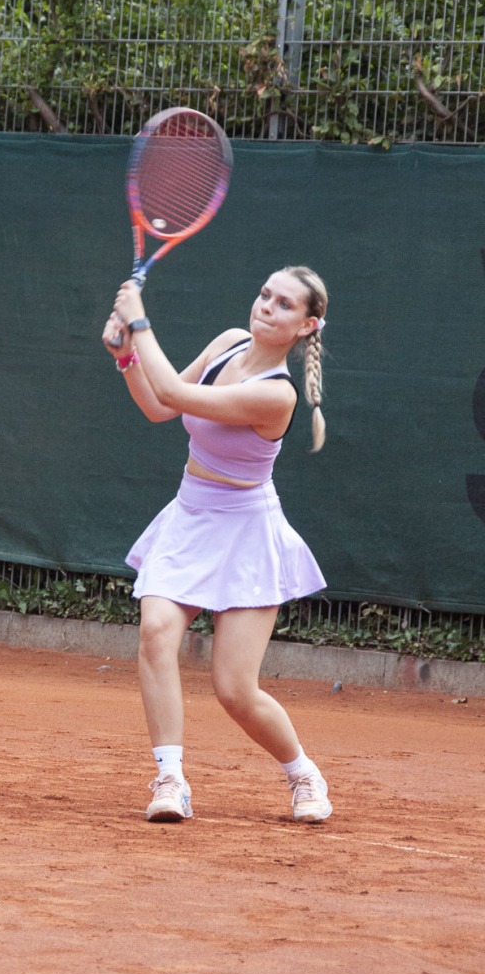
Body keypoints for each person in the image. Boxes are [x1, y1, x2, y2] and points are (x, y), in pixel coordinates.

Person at [102, 266, 332, 824]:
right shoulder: (228, 342)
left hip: (248, 531)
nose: (267, 306)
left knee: (234, 689)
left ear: (307, 325)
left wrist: (139, 321)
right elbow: (159, 407)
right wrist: (126, 356)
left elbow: (175, 392)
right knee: (156, 632)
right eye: (265, 295)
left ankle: (302, 773)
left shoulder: (276, 395)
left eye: (284, 304)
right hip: (189, 515)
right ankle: (170, 779)